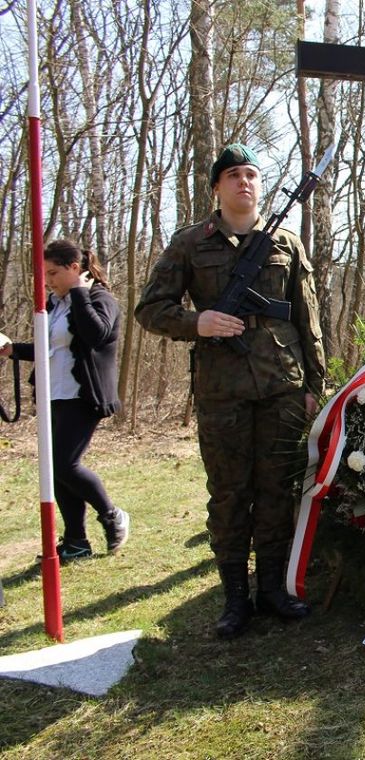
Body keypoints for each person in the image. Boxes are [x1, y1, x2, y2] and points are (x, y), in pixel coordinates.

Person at [135, 143, 326, 639]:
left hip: (283, 387)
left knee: (277, 491)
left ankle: (273, 590)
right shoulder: (190, 244)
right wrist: (198, 321)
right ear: (217, 187)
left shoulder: (286, 241)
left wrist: (315, 384)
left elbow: (308, 318)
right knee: (228, 495)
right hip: (222, 392)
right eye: (233, 175)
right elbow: (150, 309)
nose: (244, 182)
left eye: (251, 174)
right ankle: (235, 599)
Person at [0, 240, 129, 561]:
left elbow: (96, 335)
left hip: (84, 396)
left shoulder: (99, 298)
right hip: (53, 395)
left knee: (65, 465)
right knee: (54, 469)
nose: (48, 280)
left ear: (75, 268)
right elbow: (51, 348)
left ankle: (112, 515)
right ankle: (76, 541)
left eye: (54, 272)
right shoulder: (56, 304)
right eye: (45, 274)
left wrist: (80, 294)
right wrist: (13, 349)